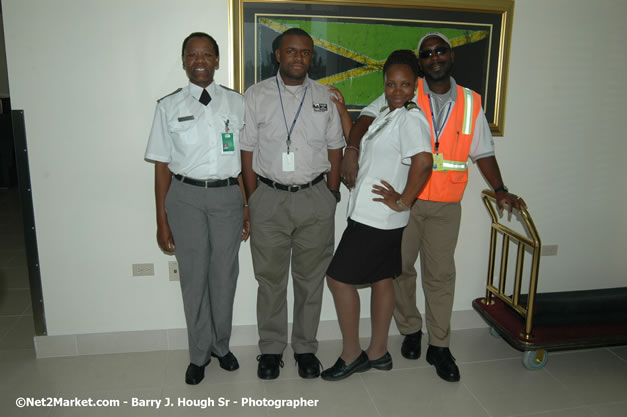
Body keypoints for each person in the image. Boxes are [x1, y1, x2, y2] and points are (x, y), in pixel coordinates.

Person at [341, 32, 526, 382]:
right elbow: (365, 119)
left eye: (440, 51)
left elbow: (483, 151)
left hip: (445, 206)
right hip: (405, 205)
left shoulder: (471, 102)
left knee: (440, 277)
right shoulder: (406, 92)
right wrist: (352, 150)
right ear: (421, 62)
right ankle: (411, 329)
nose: (434, 57)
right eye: (427, 54)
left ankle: (439, 345)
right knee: (398, 271)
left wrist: (501, 189)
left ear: (451, 56)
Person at [145, 32, 249, 385]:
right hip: (185, 197)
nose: (200, 60)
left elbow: (245, 159)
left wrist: (246, 206)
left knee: (224, 276)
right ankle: (198, 353)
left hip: (227, 198)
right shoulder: (168, 106)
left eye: (207, 54)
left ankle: (222, 346)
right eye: (192, 55)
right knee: (193, 278)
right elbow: (161, 166)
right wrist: (161, 220)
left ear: (217, 60)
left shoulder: (237, 103)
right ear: (184, 61)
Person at [321, 50, 433, 381]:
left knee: (338, 279)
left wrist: (404, 200)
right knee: (383, 278)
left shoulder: (412, 118)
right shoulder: (388, 110)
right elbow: (359, 136)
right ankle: (379, 352)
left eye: (404, 85)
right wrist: (343, 112)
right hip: (379, 217)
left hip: (377, 217)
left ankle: (352, 354)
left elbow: (424, 162)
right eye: (391, 84)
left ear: (415, 85)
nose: (397, 91)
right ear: (384, 84)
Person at [240, 28, 345, 380]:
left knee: (310, 279)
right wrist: (252, 196)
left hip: (315, 198)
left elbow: (335, 147)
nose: (298, 58)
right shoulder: (255, 95)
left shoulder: (324, 96)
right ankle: (271, 349)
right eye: (291, 51)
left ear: (311, 57)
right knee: (270, 280)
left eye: (305, 52)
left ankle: (304, 348)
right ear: (278, 55)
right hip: (268, 198)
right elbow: (248, 149)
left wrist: (331, 193)